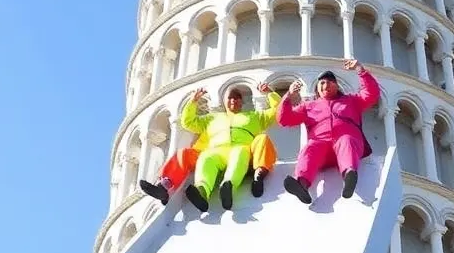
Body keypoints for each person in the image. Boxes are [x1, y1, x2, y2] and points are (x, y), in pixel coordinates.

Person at [139, 83, 280, 212]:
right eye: (230, 98)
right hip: (215, 151)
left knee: (242, 152)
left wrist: (270, 93)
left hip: (242, 148)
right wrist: (193, 101)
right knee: (200, 157)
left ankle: (229, 187)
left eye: (237, 98)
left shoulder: (254, 116)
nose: (233, 101)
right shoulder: (212, 118)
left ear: (242, 102)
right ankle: (181, 189)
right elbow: (188, 122)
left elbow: (278, 110)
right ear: (225, 101)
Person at [277, 58, 380, 205]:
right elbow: (284, 119)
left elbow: (371, 94)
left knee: (346, 141)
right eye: (322, 83)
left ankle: (349, 175)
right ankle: (302, 184)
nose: (326, 85)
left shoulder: (351, 101)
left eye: (330, 81)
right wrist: (288, 97)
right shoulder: (309, 106)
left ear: (337, 86)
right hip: (322, 147)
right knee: (310, 148)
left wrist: (360, 70)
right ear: (317, 88)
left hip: (345, 141)